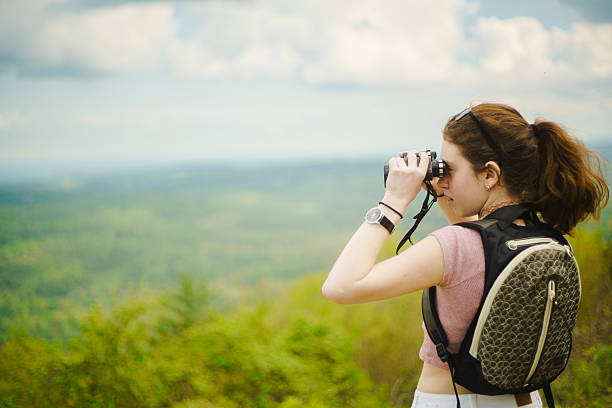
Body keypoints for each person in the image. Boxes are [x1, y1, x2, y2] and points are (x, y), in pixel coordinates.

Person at [321, 103, 609, 408]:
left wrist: (393, 201)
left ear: (489, 174)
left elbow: (340, 287)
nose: (443, 179)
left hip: (454, 401)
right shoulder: (549, 240)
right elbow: (483, 249)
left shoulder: (454, 247)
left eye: (450, 170)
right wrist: (446, 191)